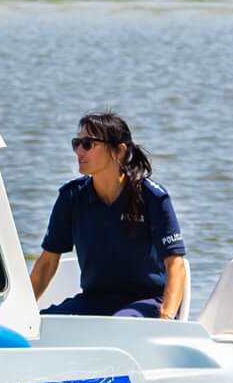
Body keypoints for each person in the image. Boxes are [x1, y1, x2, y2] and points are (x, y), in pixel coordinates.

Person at [29, 112, 188, 318]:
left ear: (119, 151)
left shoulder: (154, 197)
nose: (79, 151)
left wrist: (166, 316)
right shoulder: (71, 196)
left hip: (148, 301)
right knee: (45, 323)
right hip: (94, 300)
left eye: (87, 144)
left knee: (120, 323)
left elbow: (175, 265)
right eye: (76, 143)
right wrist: (22, 314)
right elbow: (47, 263)